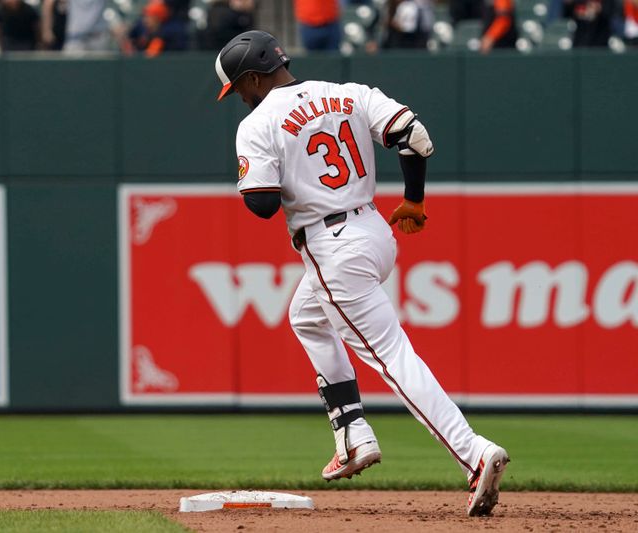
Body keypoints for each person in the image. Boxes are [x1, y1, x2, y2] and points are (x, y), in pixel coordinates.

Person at [214, 30, 510, 517]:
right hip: (374, 232)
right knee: (306, 315)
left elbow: (263, 205)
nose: (239, 98)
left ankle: (474, 453)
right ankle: (352, 433)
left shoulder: (257, 122)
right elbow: (415, 136)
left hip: (332, 247)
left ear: (251, 77)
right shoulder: (350, 92)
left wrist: (261, 175)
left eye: (239, 88)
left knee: (392, 356)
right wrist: (414, 199)